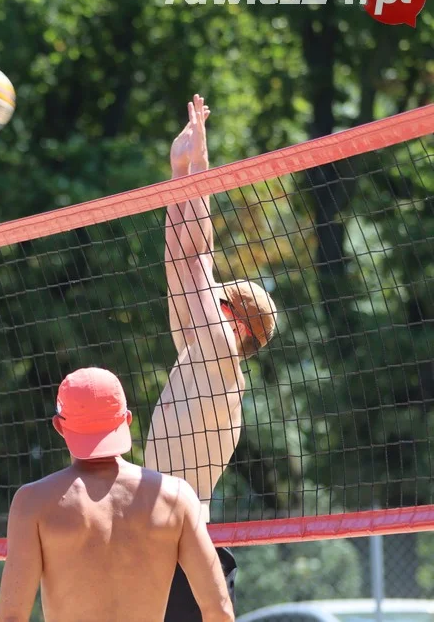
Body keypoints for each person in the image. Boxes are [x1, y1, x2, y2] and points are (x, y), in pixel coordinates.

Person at [144, 94, 278, 620]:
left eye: (218, 296)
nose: (207, 294)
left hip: (180, 551)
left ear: (235, 321)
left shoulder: (220, 357)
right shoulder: (199, 357)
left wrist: (196, 170)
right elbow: (182, 261)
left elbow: (195, 259)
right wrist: (181, 175)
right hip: (162, 544)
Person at [0, 367, 235, 622]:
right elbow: (219, 612)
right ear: (127, 420)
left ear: (59, 426)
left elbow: (12, 616)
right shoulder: (176, 496)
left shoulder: (33, 503)